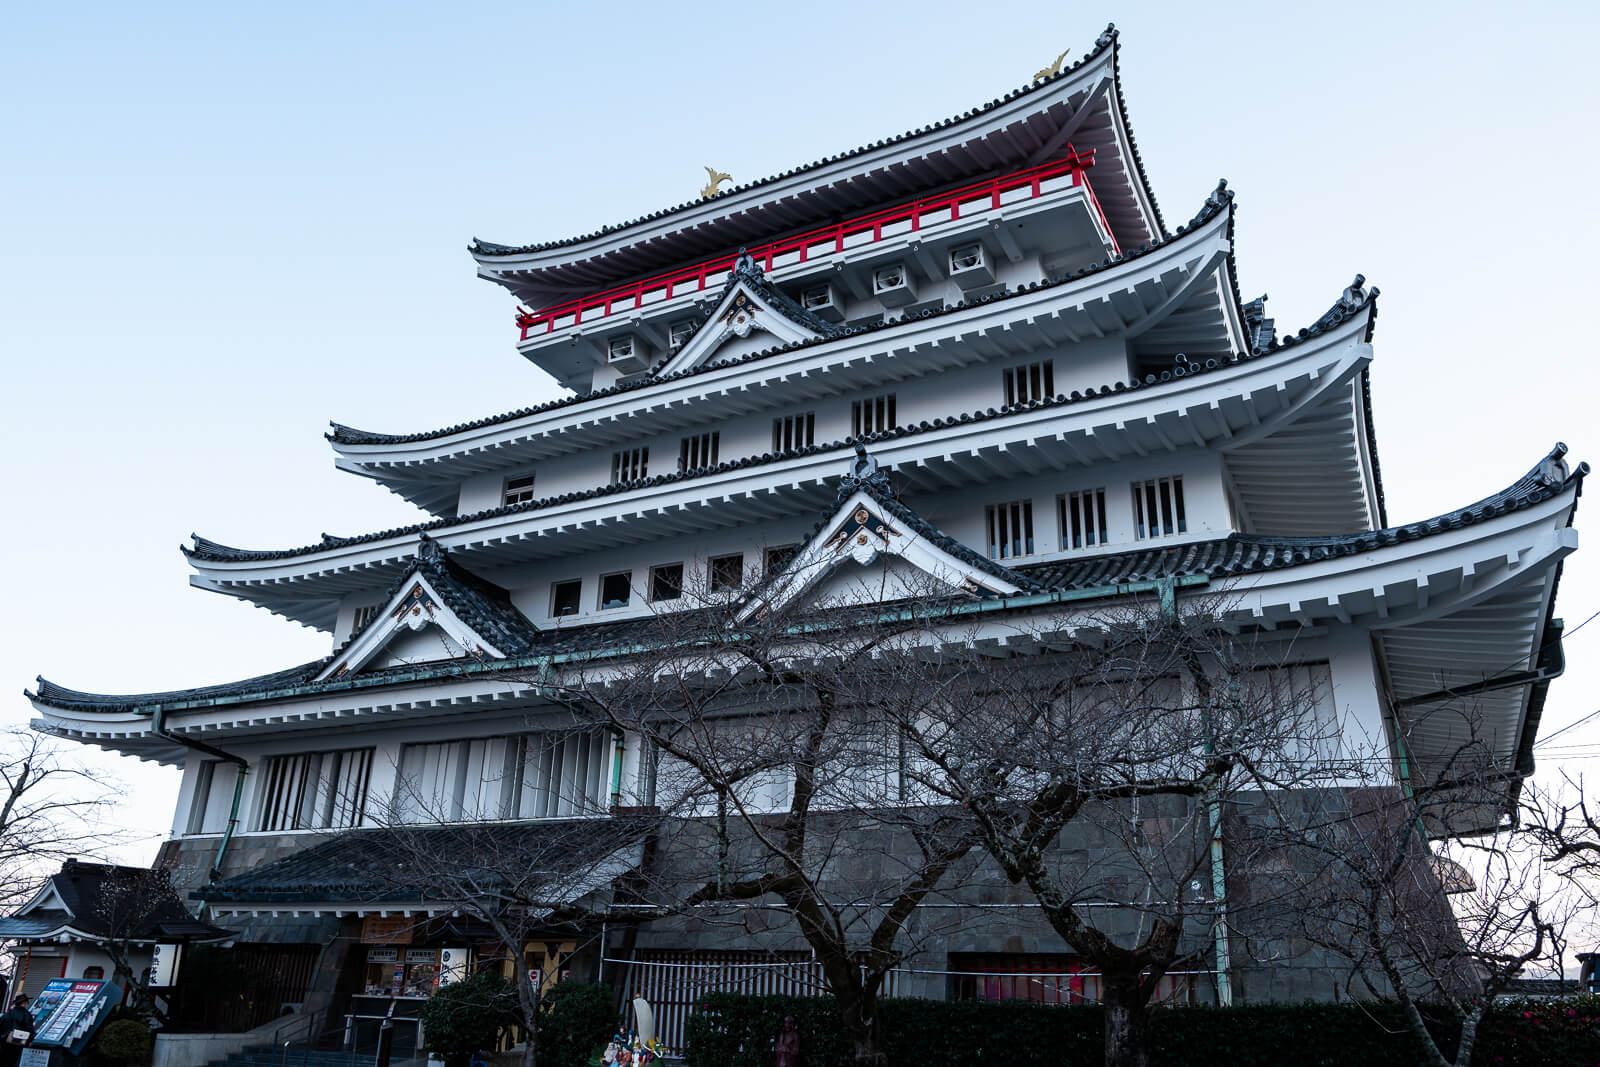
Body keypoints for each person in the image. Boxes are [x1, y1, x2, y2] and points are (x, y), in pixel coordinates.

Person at [1, 995, 35, 1067]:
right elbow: (30, 1029)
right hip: (18, 1043)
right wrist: (30, 1041)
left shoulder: (8, 1013)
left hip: (4, 1043)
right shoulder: (26, 1014)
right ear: (24, 1003)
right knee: (13, 1062)